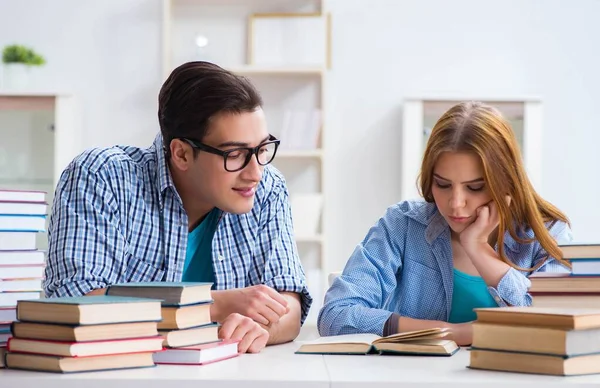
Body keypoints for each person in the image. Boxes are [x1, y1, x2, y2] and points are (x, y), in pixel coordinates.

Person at [44, 61, 312, 353]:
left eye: (261, 149)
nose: (255, 172)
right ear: (181, 154)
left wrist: (258, 330)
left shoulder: (268, 188)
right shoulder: (102, 177)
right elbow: (72, 302)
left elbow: (290, 308)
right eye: (235, 154)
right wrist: (214, 305)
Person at [318, 101, 572, 346]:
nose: (456, 204)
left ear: (505, 181)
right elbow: (336, 316)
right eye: (443, 184)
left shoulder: (548, 234)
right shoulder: (403, 225)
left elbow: (560, 325)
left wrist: (479, 248)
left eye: (475, 187)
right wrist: (450, 332)